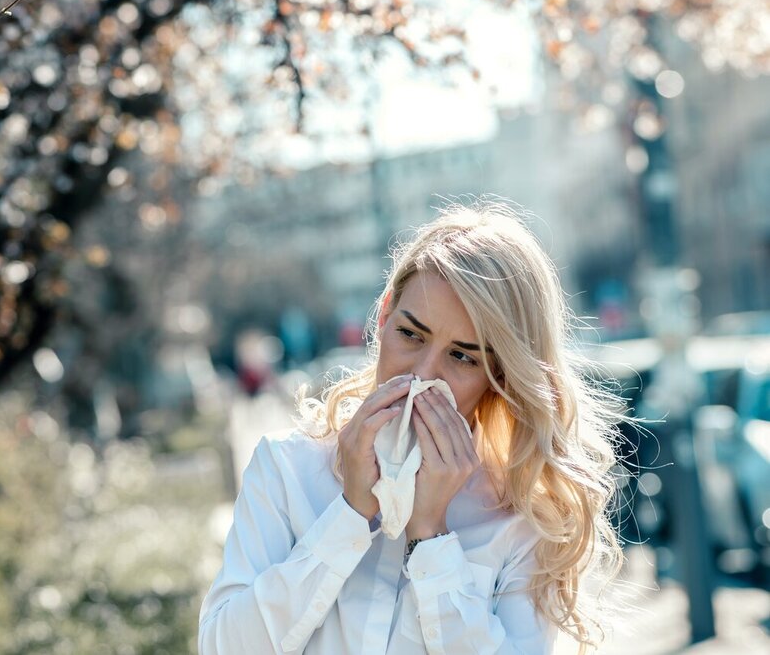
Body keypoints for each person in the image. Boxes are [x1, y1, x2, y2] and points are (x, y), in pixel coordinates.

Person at [199, 202, 625, 654]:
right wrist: (350, 513)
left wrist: (431, 537)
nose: (424, 374)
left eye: (462, 356)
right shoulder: (286, 468)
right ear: (384, 319)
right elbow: (224, 647)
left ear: (499, 378)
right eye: (411, 335)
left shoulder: (518, 520)